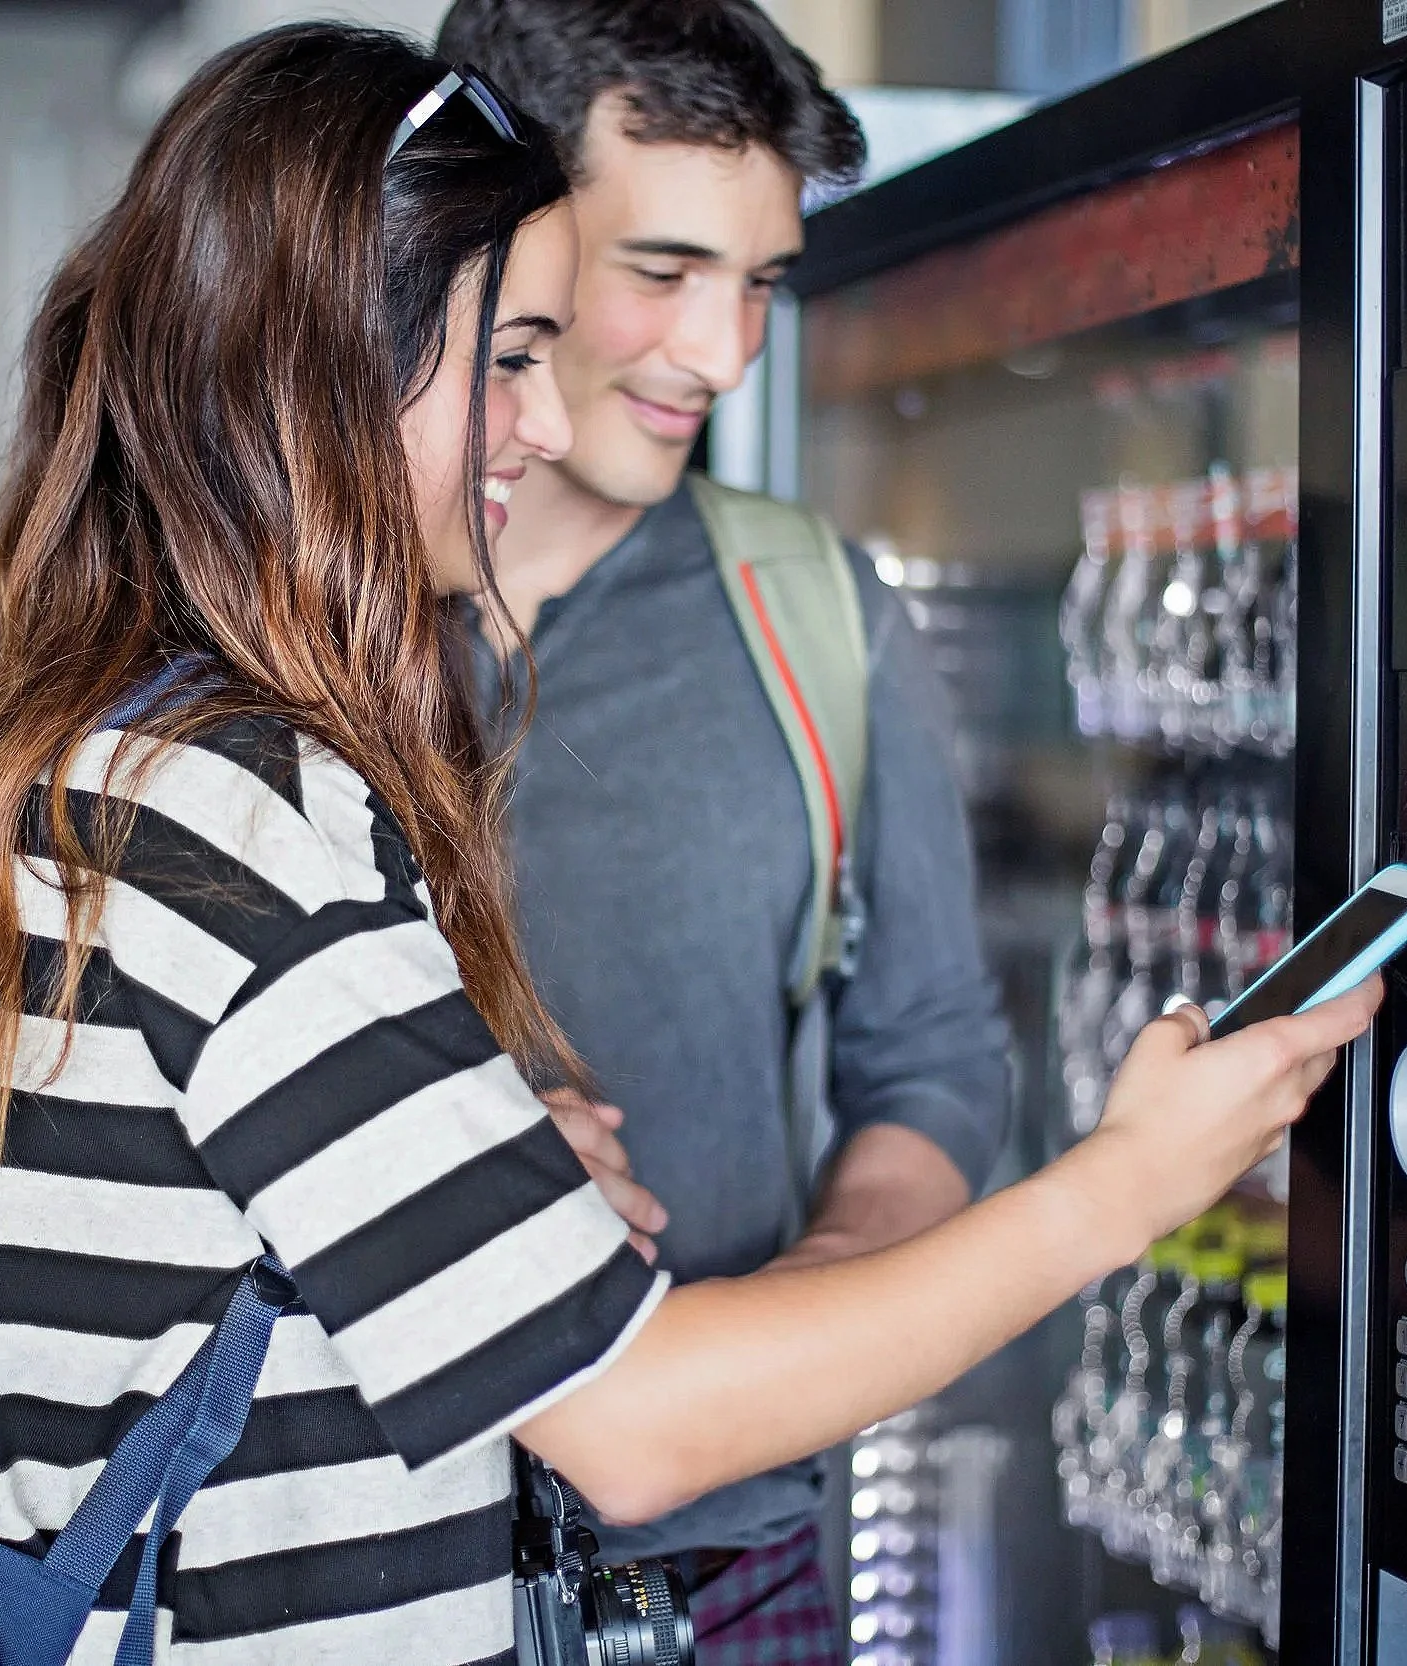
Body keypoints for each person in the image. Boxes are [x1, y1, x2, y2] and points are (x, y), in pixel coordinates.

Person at [0, 22, 1376, 1665]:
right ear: (341, 353)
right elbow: (631, 1420)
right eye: (515, 348)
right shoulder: (239, 812)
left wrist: (489, 1167)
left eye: (760, 282)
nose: (555, 416)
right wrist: (1131, 1181)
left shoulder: (101, 756)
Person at [430, 0, 1005, 1641]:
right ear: (500, 237)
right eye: (665, 272)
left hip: (737, 1562)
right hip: (371, 1570)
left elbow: (937, 1057)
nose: (727, 353)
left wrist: (811, 1300)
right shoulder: (280, 641)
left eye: (759, 284)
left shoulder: (813, 613)